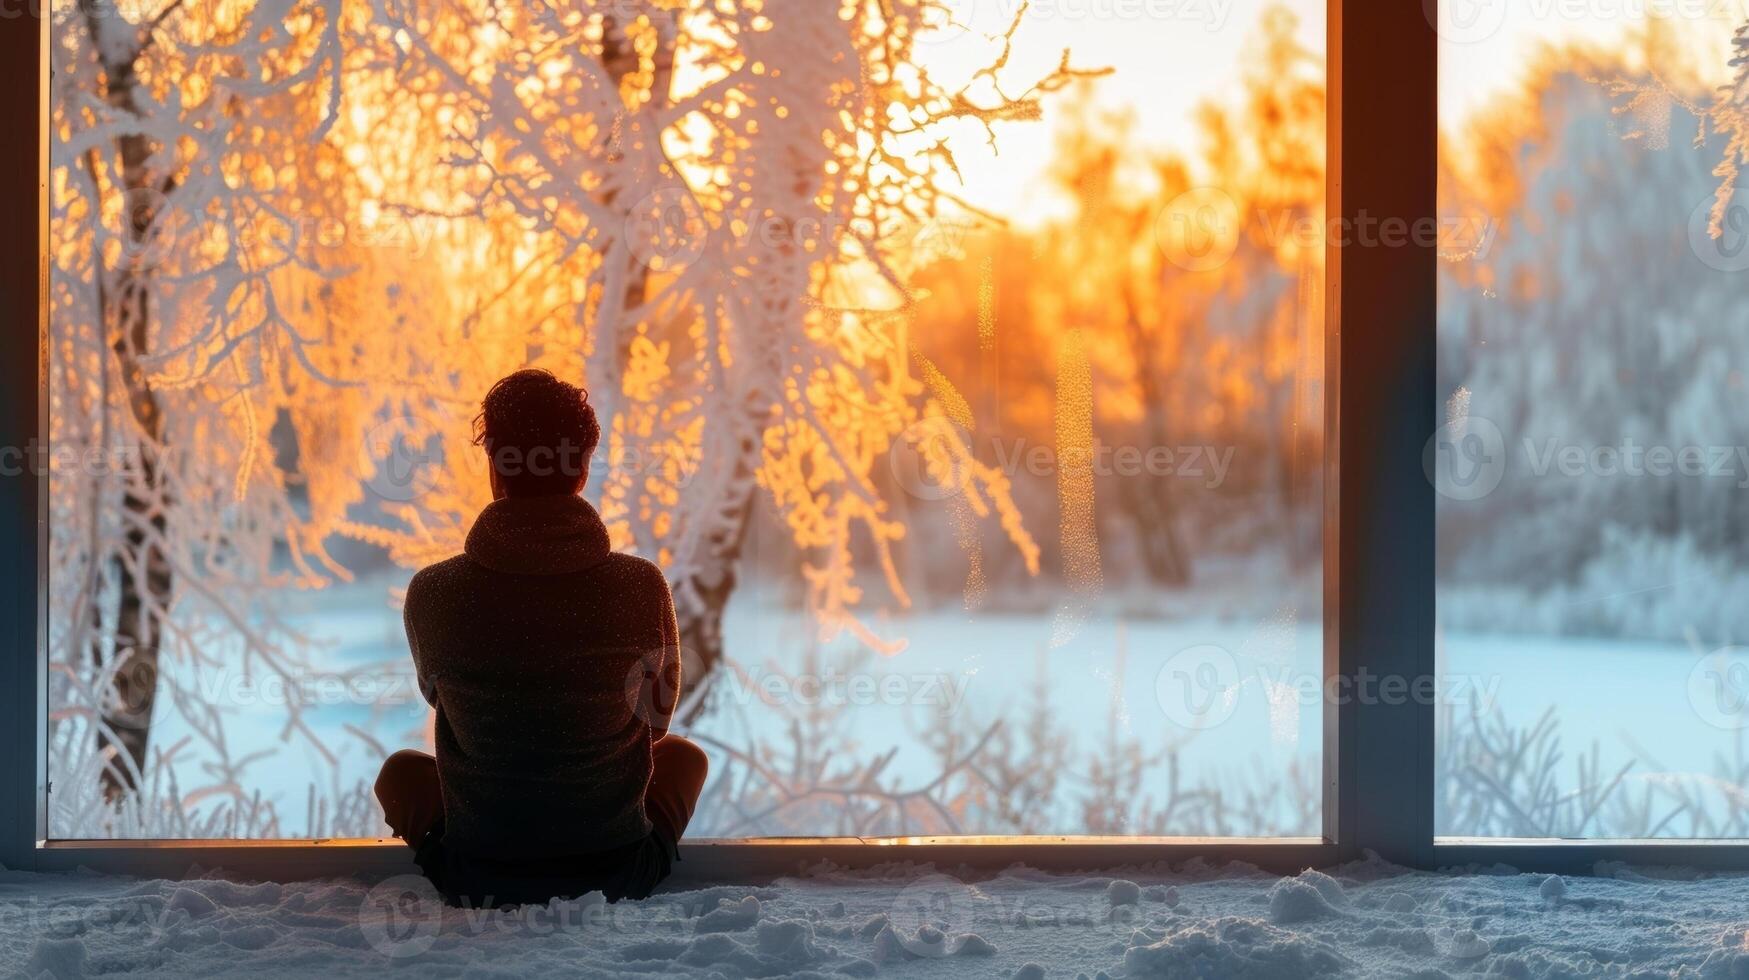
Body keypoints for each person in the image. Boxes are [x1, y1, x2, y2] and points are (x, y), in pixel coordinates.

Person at [374, 368, 707, 906]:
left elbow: (445, 703)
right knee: (685, 758)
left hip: (476, 872)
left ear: (495, 469)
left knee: (400, 774)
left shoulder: (433, 591)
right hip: (617, 871)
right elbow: (657, 722)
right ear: (582, 470)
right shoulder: (640, 586)